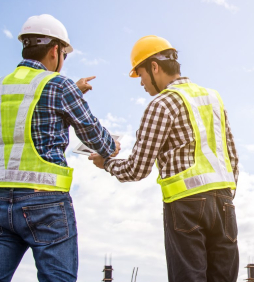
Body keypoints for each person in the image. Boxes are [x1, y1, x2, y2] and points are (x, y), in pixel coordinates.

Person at [0, 14, 120, 282]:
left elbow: (27, 106)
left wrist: (70, 93)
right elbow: (96, 138)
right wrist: (113, 145)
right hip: (46, 203)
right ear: (56, 51)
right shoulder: (60, 86)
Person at [89, 35, 240, 282]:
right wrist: (224, 196)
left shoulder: (161, 104)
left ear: (155, 67)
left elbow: (136, 169)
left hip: (185, 206)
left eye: (140, 74)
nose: (141, 83)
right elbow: (232, 156)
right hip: (224, 203)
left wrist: (106, 163)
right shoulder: (213, 98)